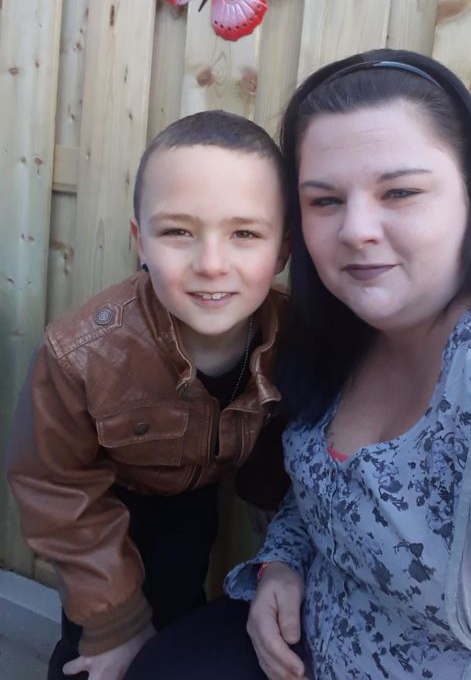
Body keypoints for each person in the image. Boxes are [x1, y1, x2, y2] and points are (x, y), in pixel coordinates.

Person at [124, 50, 471, 680]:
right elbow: (322, 494)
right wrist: (280, 562)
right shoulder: (336, 326)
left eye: (400, 192)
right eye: (324, 200)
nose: (357, 230)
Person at [7, 110, 291, 680]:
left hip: (194, 498)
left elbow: (283, 425)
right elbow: (57, 486)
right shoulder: (81, 353)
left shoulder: (292, 336)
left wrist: (266, 496)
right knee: (97, 646)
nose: (211, 265)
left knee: (177, 606)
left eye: (245, 234)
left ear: (283, 250)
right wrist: (114, 623)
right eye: (178, 232)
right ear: (140, 240)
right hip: (100, 507)